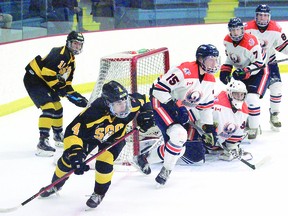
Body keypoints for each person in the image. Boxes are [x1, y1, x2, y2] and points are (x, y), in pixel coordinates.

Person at [38, 81, 155, 209]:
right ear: (108, 104)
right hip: (90, 138)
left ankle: (98, 194)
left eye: (124, 102)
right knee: (68, 160)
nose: (123, 107)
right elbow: (72, 132)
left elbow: (145, 99)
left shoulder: (131, 103)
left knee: (105, 161)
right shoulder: (93, 113)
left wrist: (147, 113)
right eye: (118, 104)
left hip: (115, 137)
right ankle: (55, 185)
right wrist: (76, 152)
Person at [134, 80, 252, 173]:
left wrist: (232, 147)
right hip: (194, 129)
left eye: (242, 95)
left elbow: (235, 133)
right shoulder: (217, 104)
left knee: (200, 151)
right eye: (236, 94)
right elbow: (194, 115)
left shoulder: (244, 111)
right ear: (230, 94)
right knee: (196, 157)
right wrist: (205, 131)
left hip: (207, 141)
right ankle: (156, 152)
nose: (239, 97)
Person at [147, 44, 220, 185]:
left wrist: (209, 129)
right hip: (161, 102)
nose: (214, 63)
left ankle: (144, 159)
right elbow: (158, 90)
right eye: (211, 59)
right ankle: (166, 171)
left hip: (179, 107)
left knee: (179, 146)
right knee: (179, 136)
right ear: (200, 59)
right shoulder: (184, 70)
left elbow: (205, 107)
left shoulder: (209, 80)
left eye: (216, 59)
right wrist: (175, 107)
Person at [23, 31, 88, 157]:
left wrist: (75, 96)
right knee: (49, 108)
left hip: (44, 81)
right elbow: (47, 73)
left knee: (58, 108)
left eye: (79, 45)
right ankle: (42, 142)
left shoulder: (71, 61)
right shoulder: (60, 54)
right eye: (75, 44)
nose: (77, 47)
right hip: (34, 79)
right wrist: (63, 91)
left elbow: (66, 83)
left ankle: (58, 136)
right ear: (68, 43)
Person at [219, 17, 269, 140]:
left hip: (259, 72)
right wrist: (225, 70)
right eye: (233, 30)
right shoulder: (227, 40)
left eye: (238, 29)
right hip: (242, 72)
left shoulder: (251, 41)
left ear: (243, 29)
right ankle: (245, 122)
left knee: (252, 98)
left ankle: (254, 127)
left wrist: (244, 72)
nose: (236, 33)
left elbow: (258, 64)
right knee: (237, 98)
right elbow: (231, 58)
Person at [245, 4, 288, 131]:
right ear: (255, 16)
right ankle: (250, 119)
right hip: (252, 66)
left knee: (276, 88)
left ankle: (274, 115)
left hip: (270, 64)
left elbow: (284, 46)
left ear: (269, 17)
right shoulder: (247, 28)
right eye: (260, 15)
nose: (262, 18)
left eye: (265, 15)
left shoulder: (276, 29)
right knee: (250, 95)